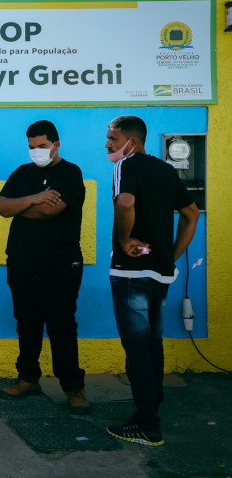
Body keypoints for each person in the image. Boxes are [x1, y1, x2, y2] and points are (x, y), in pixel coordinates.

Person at [104, 115, 199, 446]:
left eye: (113, 139)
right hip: (160, 273)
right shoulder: (166, 170)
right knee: (152, 344)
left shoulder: (126, 166)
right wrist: (170, 254)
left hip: (132, 274)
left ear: (133, 141)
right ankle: (152, 407)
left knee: (137, 349)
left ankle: (146, 423)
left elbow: (125, 203)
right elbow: (191, 213)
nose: (108, 145)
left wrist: (125, 239)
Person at [0, 120, 90, 414]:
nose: (36, 151)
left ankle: (73, 389)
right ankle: (27, 379)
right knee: (27, 323)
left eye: (42, 146)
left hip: (60, 263)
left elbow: (51, 210)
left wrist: (19, 207)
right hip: (22, 263)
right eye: (32, 147)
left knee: (61, 324)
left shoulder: (70, 173)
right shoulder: (22, 173)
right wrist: (34, 198)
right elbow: (0, 207)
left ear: (56, 145)